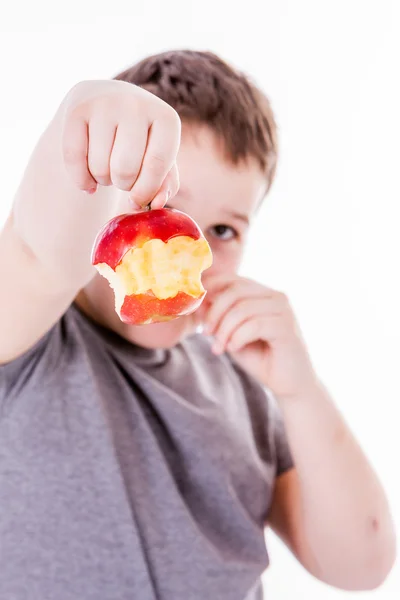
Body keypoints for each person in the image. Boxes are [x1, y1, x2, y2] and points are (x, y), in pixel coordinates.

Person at [0, 50, 396, 600]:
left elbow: (360, 564)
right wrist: (85, 116)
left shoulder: (242, 389)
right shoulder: (29, 342)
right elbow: (36, 251)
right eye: (163, 212)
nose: (193, 250)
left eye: (226, 230)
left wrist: (300, 392)